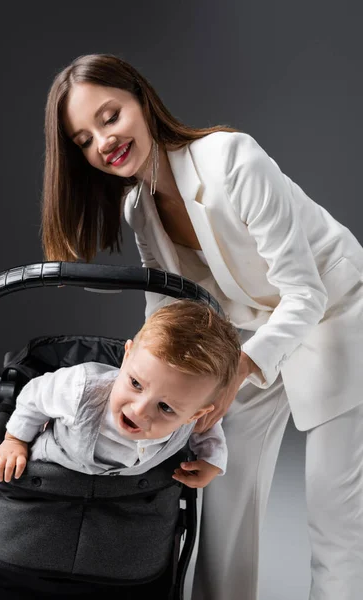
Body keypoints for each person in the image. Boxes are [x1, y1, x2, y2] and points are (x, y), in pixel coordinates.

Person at [40, 54, 363, 600]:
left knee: (332, 504)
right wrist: (145, 380)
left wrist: (232, 373)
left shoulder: (231, 157)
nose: (103, 141)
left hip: (335, 311)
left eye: (110, 115)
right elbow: (167, 309)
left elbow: (304, 292)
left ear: (141, 99)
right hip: (250, 330)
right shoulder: (138, 208)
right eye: (83, 139)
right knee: (223, 488)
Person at [0, 300, 239, 489]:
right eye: (135, 383)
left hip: (117, 491)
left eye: (165, 407)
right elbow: (34, 394)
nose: (140, 409)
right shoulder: (81, 388)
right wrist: (16, 440)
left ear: (194, 414)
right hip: (49, 471)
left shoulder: (194, 417)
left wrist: (211, 460)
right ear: (126, 355)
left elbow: (209, 427)